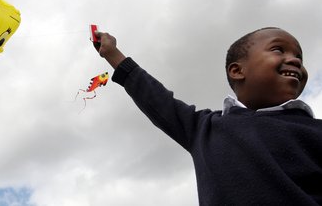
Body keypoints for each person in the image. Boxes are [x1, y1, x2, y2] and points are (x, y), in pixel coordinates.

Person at [94, 27, 322, 205]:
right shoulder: (205, 128)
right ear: (237, 71)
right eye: (278, 50)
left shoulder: (315, 129)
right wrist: (113, 54)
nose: (296, 60)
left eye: (299, 56)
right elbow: (157, 99)